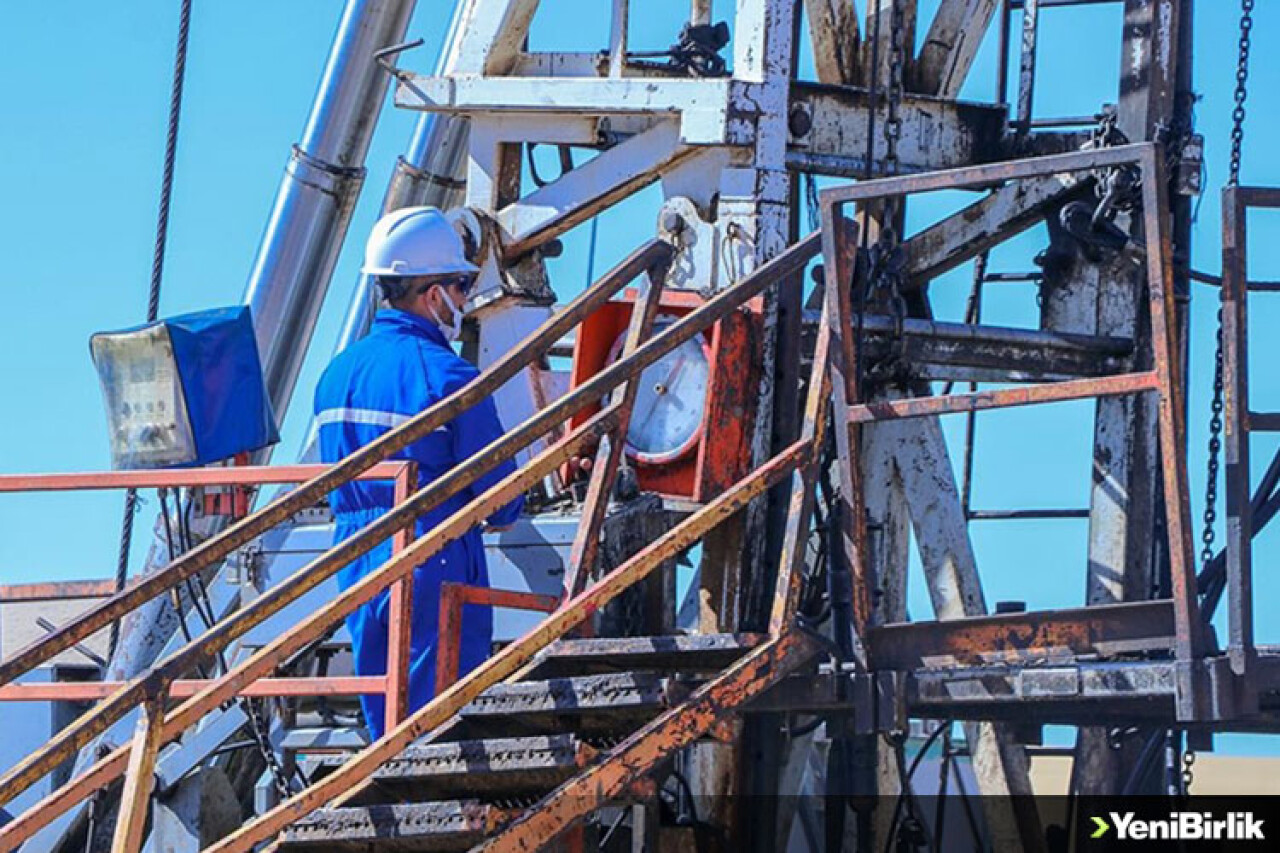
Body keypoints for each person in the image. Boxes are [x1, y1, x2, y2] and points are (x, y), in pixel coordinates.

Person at [314, 206, 524, 740]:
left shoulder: (335, 376)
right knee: (442, 725)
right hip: (434, 556)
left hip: (356, 557)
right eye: (457, 285)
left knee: (385, 718)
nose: (461, 299)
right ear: (432, 294)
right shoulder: (450, 376)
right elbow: (502, 503)